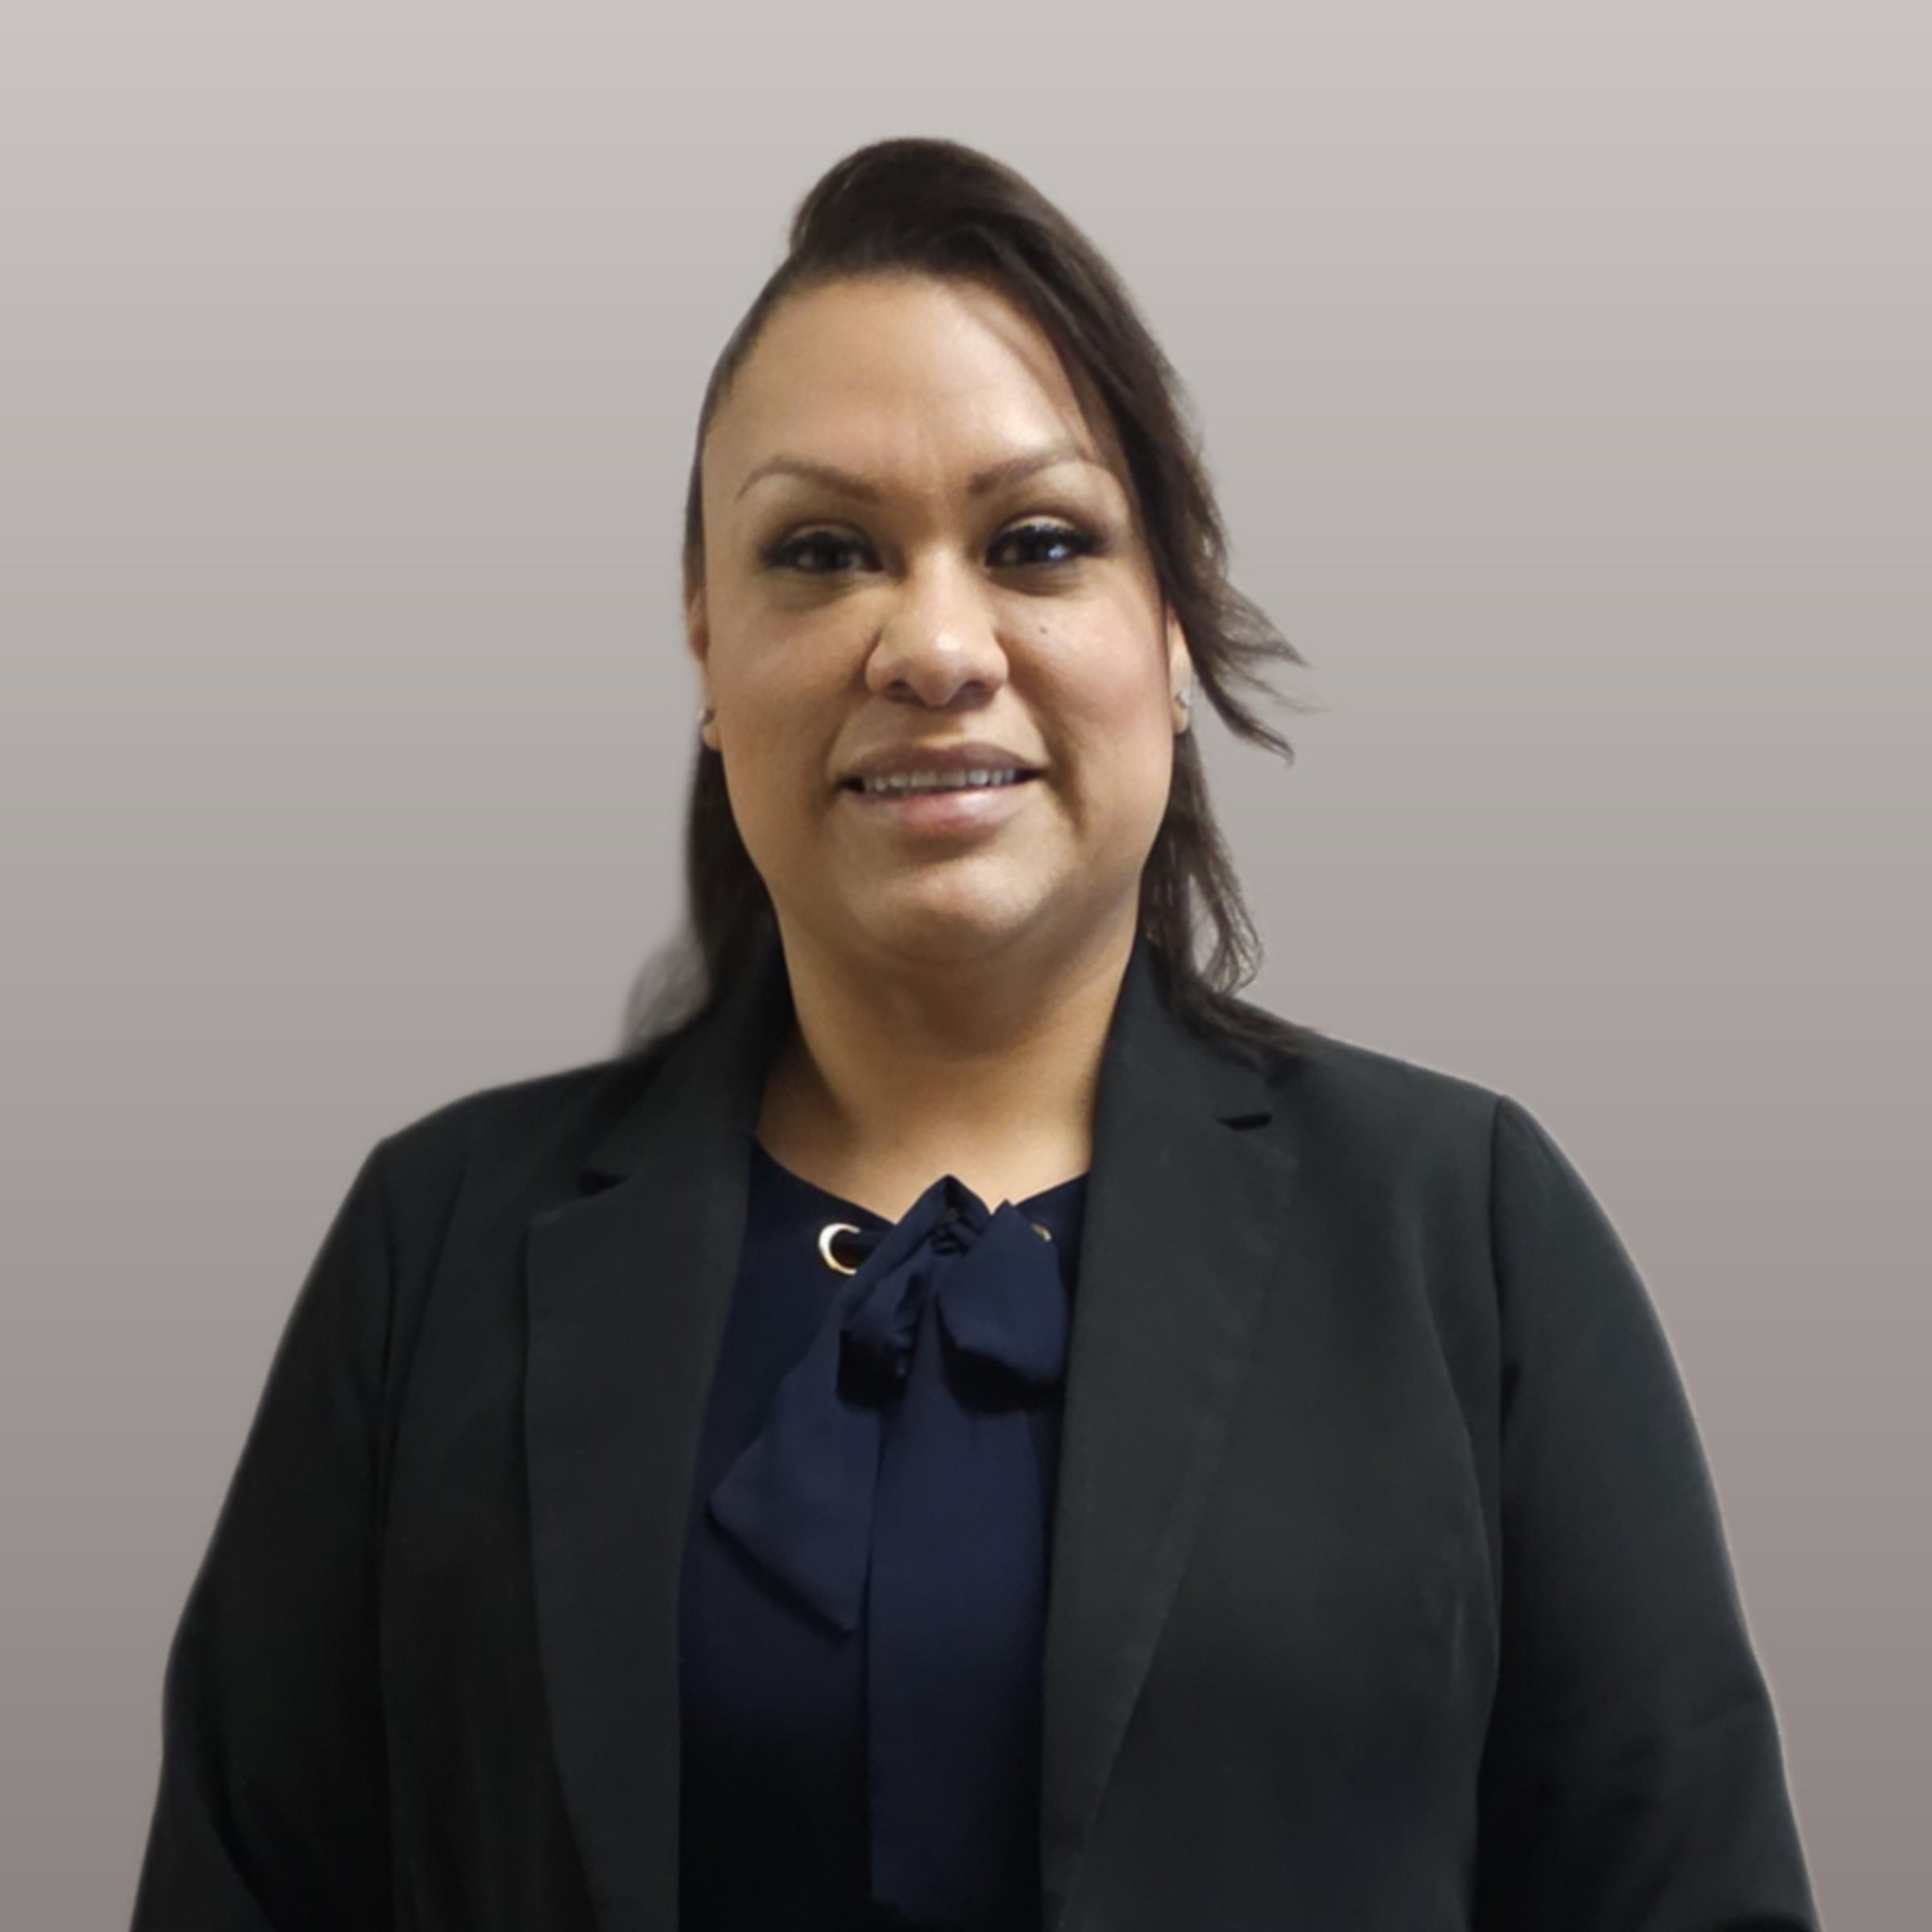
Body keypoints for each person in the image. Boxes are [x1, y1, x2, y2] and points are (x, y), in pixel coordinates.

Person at [130, 137, 1819, 1931]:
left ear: (1171, 626)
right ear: (706, 644)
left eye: (1037, 544)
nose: (935, 645)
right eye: (822, 552)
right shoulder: (438, 1249)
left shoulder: (1464, 1233)